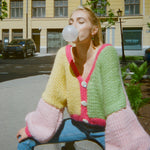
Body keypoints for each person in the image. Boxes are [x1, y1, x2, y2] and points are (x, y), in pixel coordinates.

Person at [17, 6, 150, 150]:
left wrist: (124, 140)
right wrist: (33, 129)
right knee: (25, 142)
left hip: (105, 129)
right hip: (77, 126)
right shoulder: (63, 55)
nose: (73, 26)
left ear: (93, 30)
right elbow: (53, 96)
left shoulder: (106, 53)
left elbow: (115, 101)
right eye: (71, 22)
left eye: (80, 21)